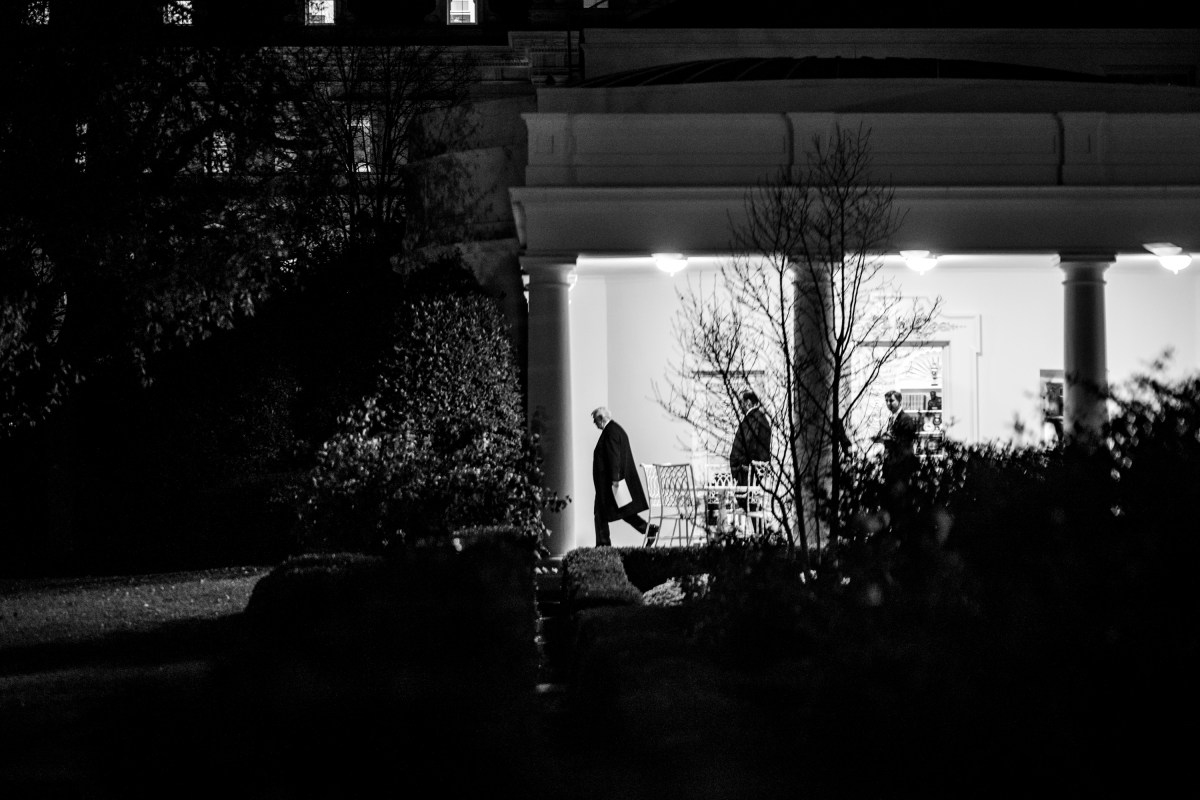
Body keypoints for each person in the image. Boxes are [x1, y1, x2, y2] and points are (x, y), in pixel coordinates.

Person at [591, 407, 658, 546]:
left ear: (602, 418)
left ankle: (603, 546)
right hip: (614, 482)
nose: (594, 423)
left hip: (610, 484)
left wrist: (615, 480)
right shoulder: (616, 430)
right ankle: (648, 529)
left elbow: (613, 456)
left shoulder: (610, 432)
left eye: (595, 420)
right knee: (625, 512)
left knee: (601, 513)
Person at [872, 389, 920, 486]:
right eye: (887, 401)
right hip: (892, 464)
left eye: (891, 401)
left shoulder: (906, 419)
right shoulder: (892, 419)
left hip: (902, 465)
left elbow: (906, 441)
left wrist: (886, 440)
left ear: (899, 401)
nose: (888, 403)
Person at [729, 391, 771, 486]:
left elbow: (748, 443)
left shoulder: (751, 420)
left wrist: (741, 463)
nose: (740, 407)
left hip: (747, 473)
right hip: (758, 472)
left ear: (748, 403)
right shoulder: (762, 419)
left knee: (745, 498)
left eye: (741, 403)